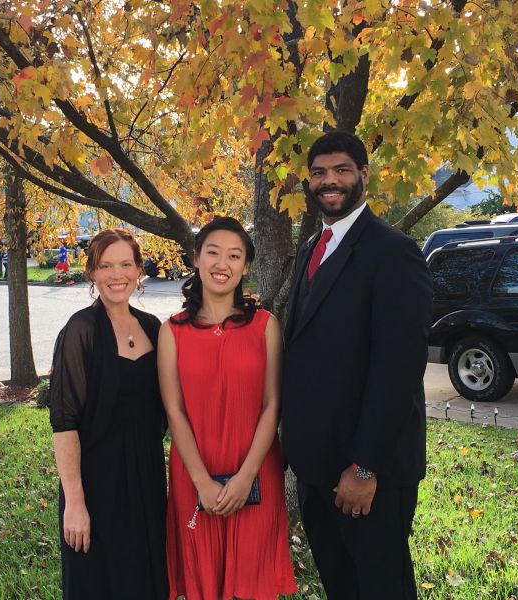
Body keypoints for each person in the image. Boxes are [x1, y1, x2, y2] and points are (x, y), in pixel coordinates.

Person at [281, 131, 433, 599]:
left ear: (364, 175)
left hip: (368, 474)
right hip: (317, 467)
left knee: (381, 588)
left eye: (341, 170)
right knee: (341, 586)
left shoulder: (393, 252)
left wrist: (365, 467)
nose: (330, 181)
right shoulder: (311, 247)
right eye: (319, 173)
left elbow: (398, 371)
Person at [158, 216, 297, 600]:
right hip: (194, 473)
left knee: (252, 582)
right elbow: (174, 411)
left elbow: (272, 405)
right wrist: (202, 482)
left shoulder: (266, 326)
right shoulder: (172, 331)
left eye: (234, 256)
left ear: (246, 266)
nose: (223, 264)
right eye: (213, 253)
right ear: (196, 258)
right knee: (202, 580)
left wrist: (245, 477)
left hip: (255, 472)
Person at [49, 229, 168, 599]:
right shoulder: (80, 330)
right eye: (106, 266)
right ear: (92, 273)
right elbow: (64, 425)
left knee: (144, 584)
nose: (117, 275)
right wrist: (75, 503)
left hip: (147, 479)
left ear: (139, 270)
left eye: (126, 264)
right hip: (95, 485)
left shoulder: (153, 328)